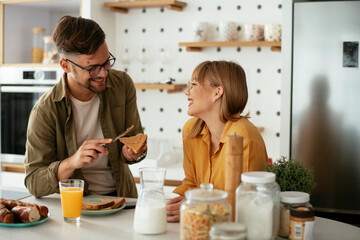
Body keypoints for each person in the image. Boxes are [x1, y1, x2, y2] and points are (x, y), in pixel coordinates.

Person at [24, 16, 147, 198]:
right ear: (65, 65)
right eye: (93, 68)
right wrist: (72, 162)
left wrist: (132, 154)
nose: (103, 73)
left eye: (106, 63)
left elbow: (134, 141)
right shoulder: (45, 110)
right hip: (75, 206)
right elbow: (34, 182)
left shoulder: (122, 84)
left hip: (122, 200)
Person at [166, 61, 268, 222]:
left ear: (217, 92)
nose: (187, 92)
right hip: (200, 227)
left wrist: (195, 208)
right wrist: (169, 204)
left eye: (193, 84)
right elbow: (191, 183)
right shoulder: (191, 130)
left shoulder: (244, 135)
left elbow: (244, 203)